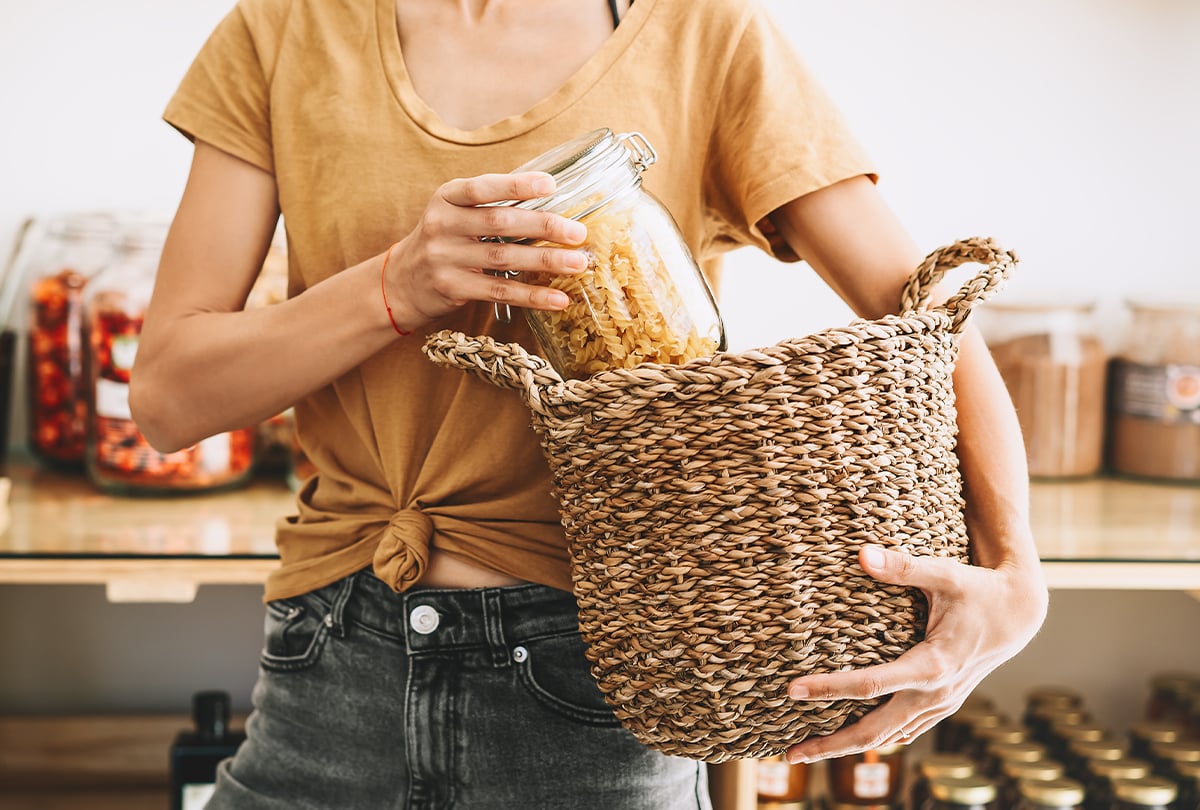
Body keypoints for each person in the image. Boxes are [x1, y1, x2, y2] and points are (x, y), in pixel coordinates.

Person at [130, 0, 1049, 806]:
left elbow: (929, 322)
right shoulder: (280, 28)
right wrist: (397, 287)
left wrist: (1016, 576)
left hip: (602, 676)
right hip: (330, 659)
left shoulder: (703, 30)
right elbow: (168, 397)